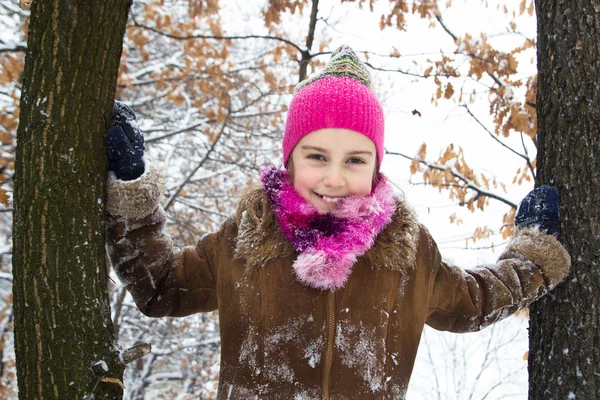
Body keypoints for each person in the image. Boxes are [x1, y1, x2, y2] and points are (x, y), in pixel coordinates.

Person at [105, 45, 571, 399]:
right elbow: (161, 286)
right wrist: (133, 195)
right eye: (316, 156)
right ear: (290, 158)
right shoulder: (248, 238)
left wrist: (533, 257)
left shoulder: (406, 252)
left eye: (354, 160)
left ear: (375, 166)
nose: (333, 177)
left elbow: (473, 301)